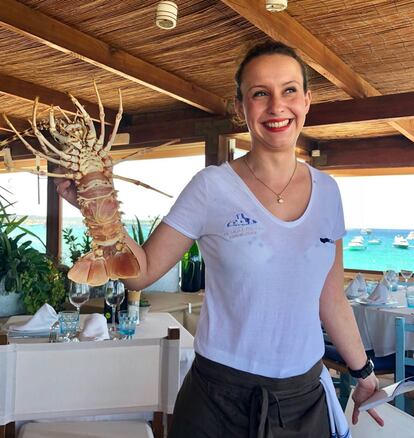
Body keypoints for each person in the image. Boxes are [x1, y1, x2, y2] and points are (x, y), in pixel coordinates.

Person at [56, 41, 383, 437]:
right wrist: (96, 209)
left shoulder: (328, 192)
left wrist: (363, 372)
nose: (277, 106)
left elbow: (330, 297)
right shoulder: (212, 187)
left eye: (289, 90)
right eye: (260, 93)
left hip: (303, 400)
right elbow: (141, 274)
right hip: (218, 400)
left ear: (307, 100)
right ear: (240, 106)